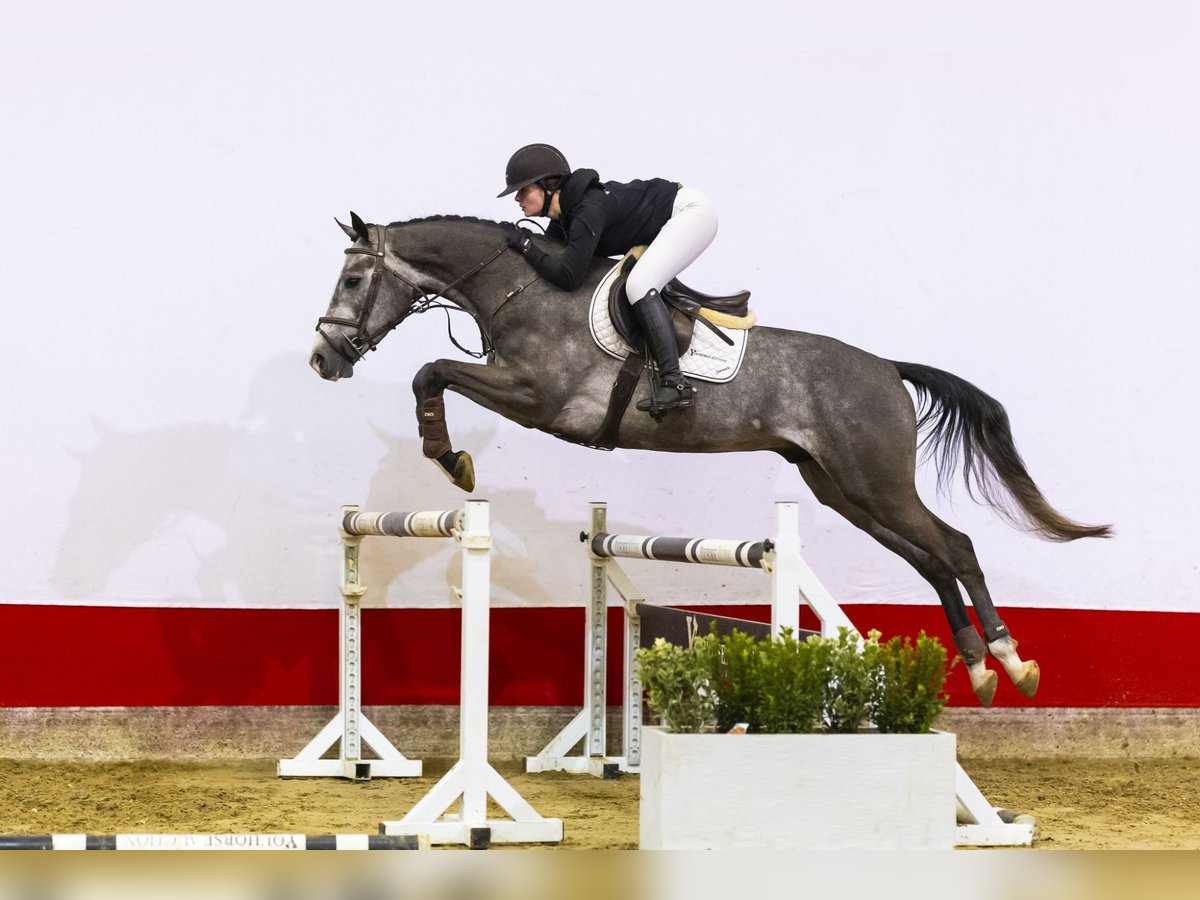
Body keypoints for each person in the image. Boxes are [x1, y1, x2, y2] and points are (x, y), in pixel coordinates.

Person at [498, 143, 718, 413]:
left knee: (639, 285)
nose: (517, 199)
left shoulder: (588, 209)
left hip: (691, 214)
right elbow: (553, 268)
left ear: (549, 186)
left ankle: (675, 382)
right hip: (673, 217)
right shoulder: (563, 221)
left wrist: (527, 247)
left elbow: (568, 277)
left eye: (523, 190)